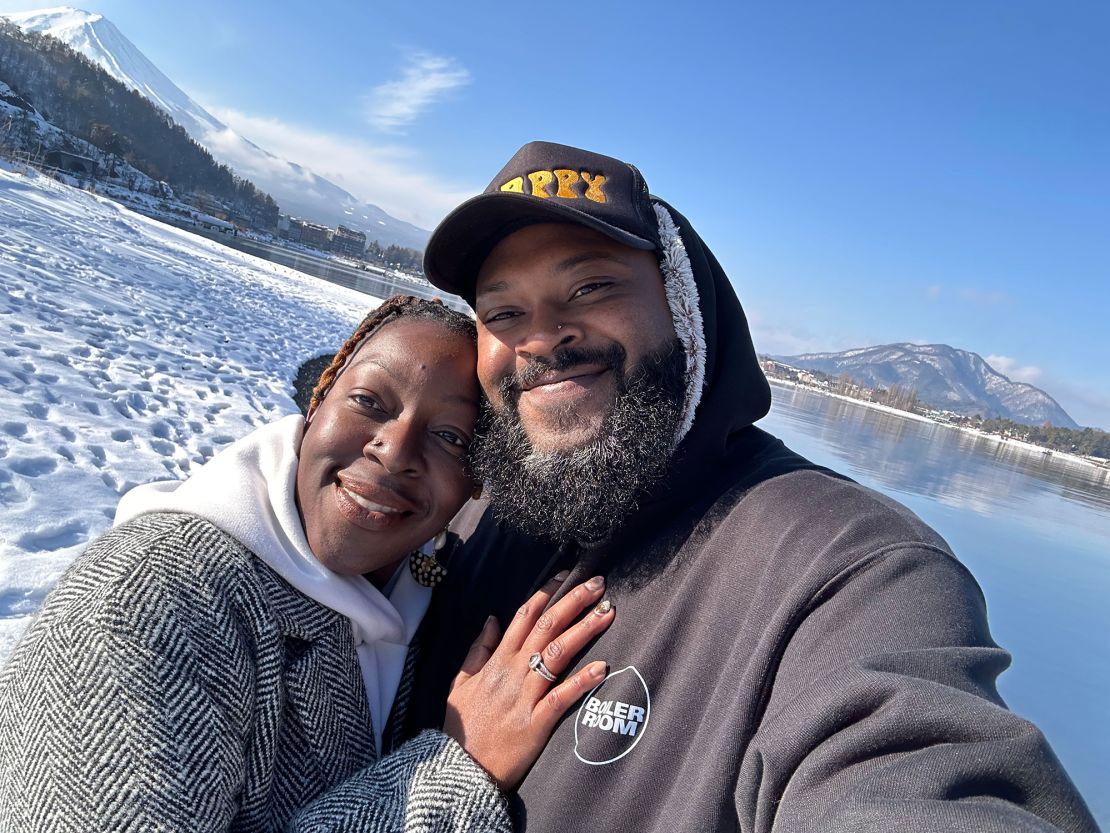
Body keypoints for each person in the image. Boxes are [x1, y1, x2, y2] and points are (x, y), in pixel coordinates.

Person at [405, 143, 1100, 832]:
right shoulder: (477, 508)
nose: (542, 337)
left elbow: (917, 766)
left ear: (683, 307)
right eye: (502, 313)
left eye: (590, 287)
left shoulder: (848, 566)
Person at [0, 295, 616, 832]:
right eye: (370, 402)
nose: (395, 450)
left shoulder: (415, 586)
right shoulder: (146, 604)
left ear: (475, 484)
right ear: (316, 406)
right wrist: (460, 767)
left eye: (450, 436)